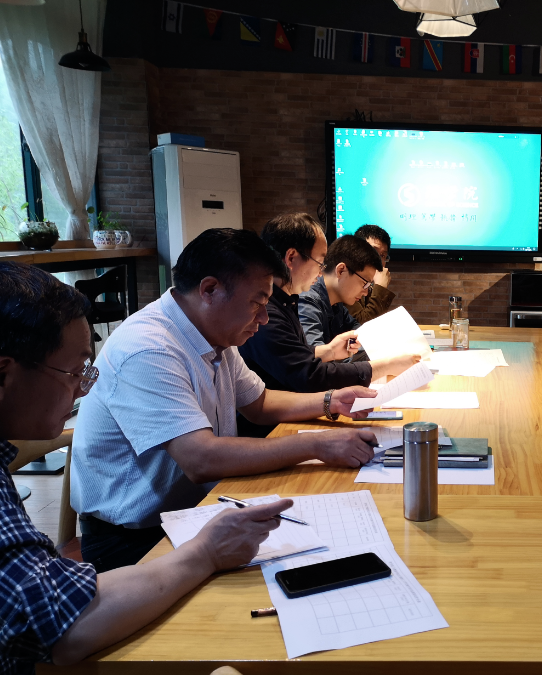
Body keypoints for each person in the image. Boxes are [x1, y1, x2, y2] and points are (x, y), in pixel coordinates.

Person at [0, 261, 293, 674]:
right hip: (129, 538)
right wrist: (206, 552)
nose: (82, 389)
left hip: (174, 523)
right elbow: (62, 625)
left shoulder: (215, 342)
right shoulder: (147, 346)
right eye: (74, 372)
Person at [70, 228, 380, 573]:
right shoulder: (148, 348)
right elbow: (200, 458)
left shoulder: (215, 334)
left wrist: (331, 401)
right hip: (133, 539)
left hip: (194, 511)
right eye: (257, 303)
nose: (264, 318)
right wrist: (317, 445)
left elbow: (259, 403)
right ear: (209, 290)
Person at [237, 214, 418, 436]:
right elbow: (309, 376)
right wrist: (385, 365)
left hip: (291, 418)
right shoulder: (279, 310)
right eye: (320, 262)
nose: (322, 270)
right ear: (291, 258)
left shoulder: (288, 301)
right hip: (272, 431)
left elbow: (296, 361)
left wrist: (329, 352)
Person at [298, 234, 383, 352]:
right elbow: (316, 356)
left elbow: (360, 334)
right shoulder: (308, 300)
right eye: (365, 283)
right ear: (341, 270)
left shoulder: (337, 304)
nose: (365, 292)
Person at [345, 224, 395, 323]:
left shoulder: (367, 284)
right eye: (373, 251)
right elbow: (363, 325)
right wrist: (381, 287)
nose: (378, 261)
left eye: (382, 255)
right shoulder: (345, 279)